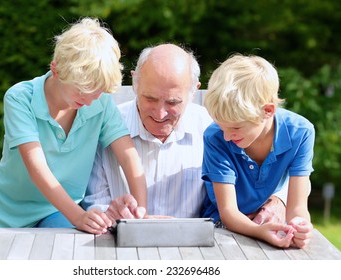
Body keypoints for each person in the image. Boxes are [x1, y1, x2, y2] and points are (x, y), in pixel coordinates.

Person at [83, 44, 287, 222]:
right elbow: (92, 203)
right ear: (135, 83)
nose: (160, 113)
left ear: (193, 91)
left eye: (173, 102)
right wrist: (108, 214)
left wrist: (279, 200)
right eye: (150, 99)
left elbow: (266, 166)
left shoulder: (216, 130)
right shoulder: (105, 127)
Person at [0, 17, 147, 235]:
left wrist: (141, 212)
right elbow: (37, 169)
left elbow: (129, 156)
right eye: (81, 90)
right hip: (11, 216)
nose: (90, 100)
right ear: (56, 69)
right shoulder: (20, 98)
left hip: (59, 212)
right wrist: (79, 216)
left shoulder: (100, 102)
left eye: (97, 92)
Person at [201, 54, 314, 248]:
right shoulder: (215, 137)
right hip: (222, 231)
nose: (227, 136)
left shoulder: (301, 132)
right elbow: (228, 212)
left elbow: (297, 207)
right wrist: (258, 231)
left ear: (267, 111)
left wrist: (300, 226)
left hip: (271, 224)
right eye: (221, 126)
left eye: (235, 128)